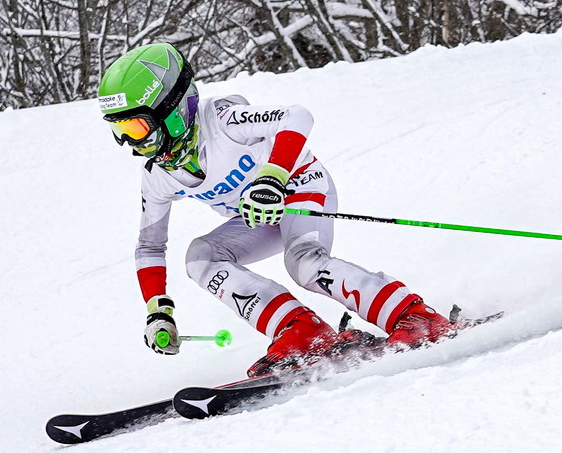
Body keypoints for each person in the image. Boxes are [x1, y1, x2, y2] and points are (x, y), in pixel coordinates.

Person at [97, 41, 455, 377]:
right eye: (121, 130)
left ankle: (416, 317)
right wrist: (158, 310)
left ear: (172, 110)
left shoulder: (222, 121)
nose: (131, 143)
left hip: (300, 185)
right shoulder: (159, 176)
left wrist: (271, 178)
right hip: (257, 215)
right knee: (200, 256)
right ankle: (302, 332)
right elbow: (149, 247)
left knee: (304, 264)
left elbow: (296, 116)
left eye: (137, 127)